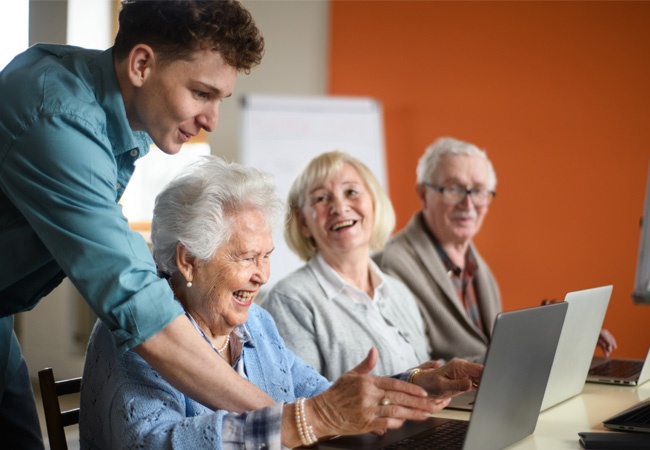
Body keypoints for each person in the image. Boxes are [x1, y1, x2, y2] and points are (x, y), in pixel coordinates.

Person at [0, 2, 270, 447]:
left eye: (219, 99)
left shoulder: (122, 112)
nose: (210, 120)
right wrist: (290, 420)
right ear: (142, 64)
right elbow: (136, 304)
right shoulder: (59, 115)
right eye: (201, 93)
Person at [80, 155, 483, 449]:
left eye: (266, 256)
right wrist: (303, 422)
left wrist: (414, 385)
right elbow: (153, 442)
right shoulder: (138, 332)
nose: (262, 275)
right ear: (189, 261)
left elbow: (324, 401)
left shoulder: (255, 324)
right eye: (245, 257)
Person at [375, 136, 617, 363]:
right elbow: (417, 367)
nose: (468, 204)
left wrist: (554, 331)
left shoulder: (476, 265)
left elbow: (486, 349)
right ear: (423, 194)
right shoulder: (393, 265)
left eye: (478, 191)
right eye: (453, 189)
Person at [263, 150, 432, 380]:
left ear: (374, 202)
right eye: (322, 198)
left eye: (351, 192)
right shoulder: (290, 300)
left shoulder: (400, 293)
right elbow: (304, 404)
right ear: (303, 222)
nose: (340, 207)